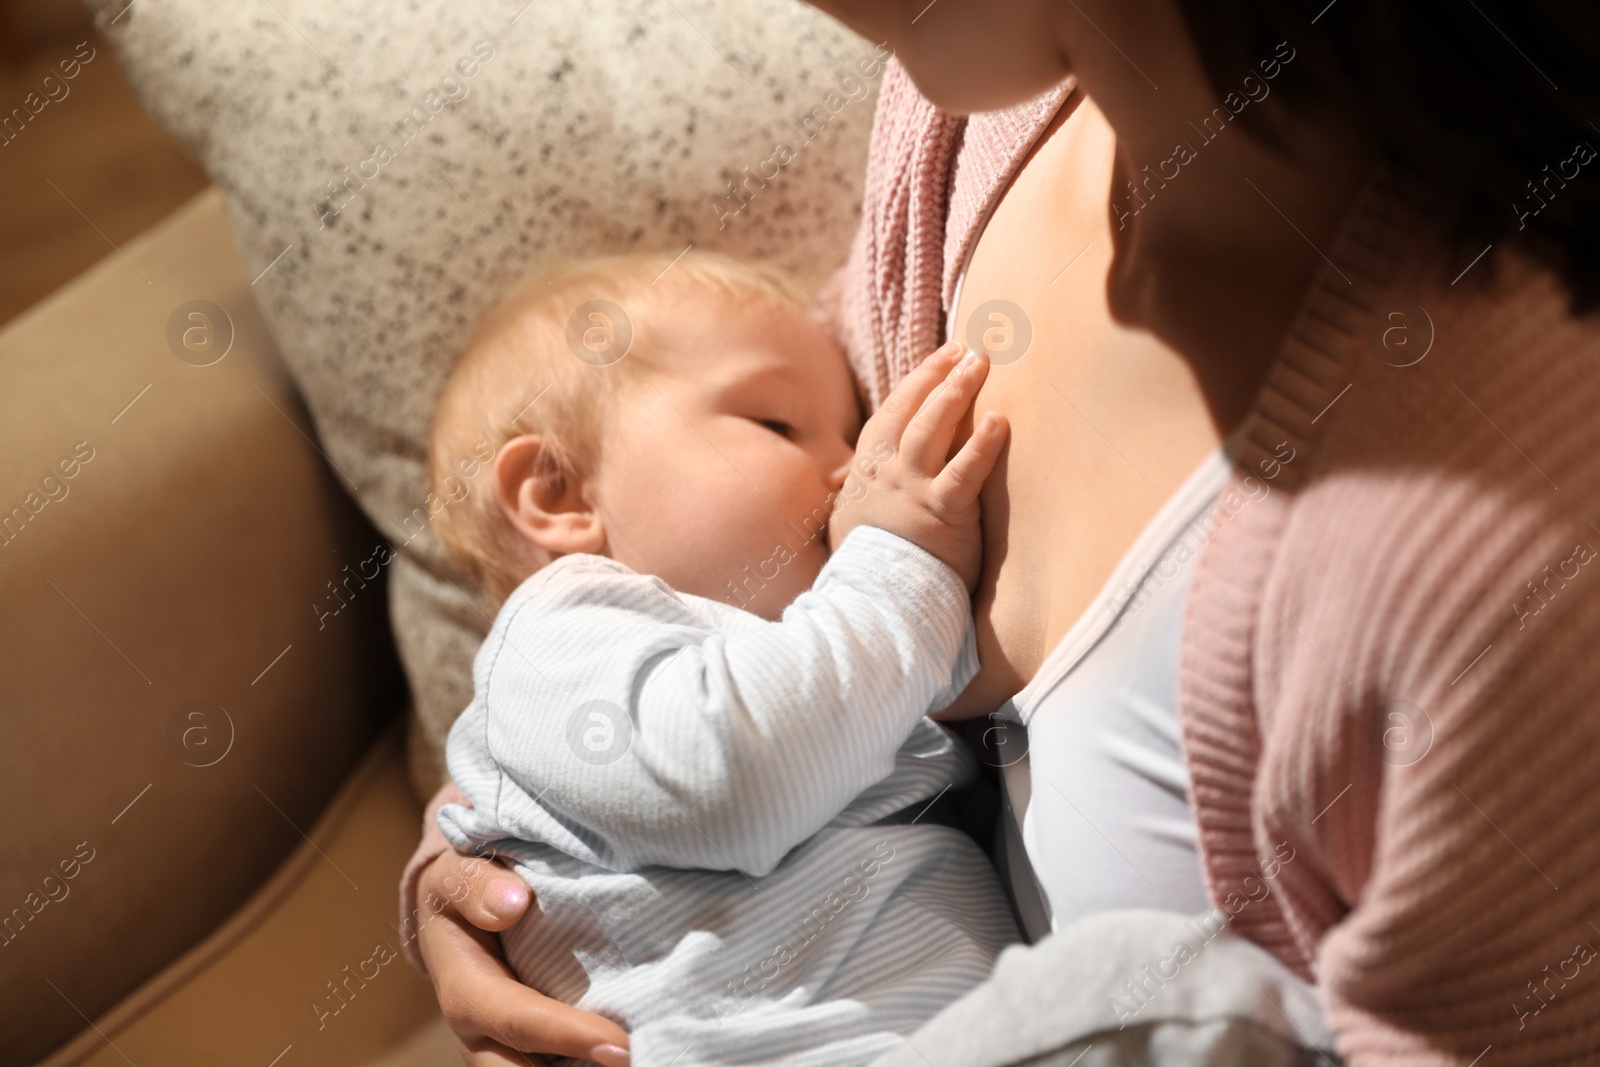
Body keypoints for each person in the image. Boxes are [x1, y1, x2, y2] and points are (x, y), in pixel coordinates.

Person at [401, 1, 1600, 1064]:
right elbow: (700, 693)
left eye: (808, 425)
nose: (844, 461)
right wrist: (498, 868)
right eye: (785, 423)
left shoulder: (1499, 560)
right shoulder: (963, 133)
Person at [422, 250, 1019, 1067]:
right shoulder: (558, 630)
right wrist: (898, 564)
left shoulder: (817, 643)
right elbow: (736, 777)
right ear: (560, 491)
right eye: (778, 424)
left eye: (849, 432)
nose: (850, 471)